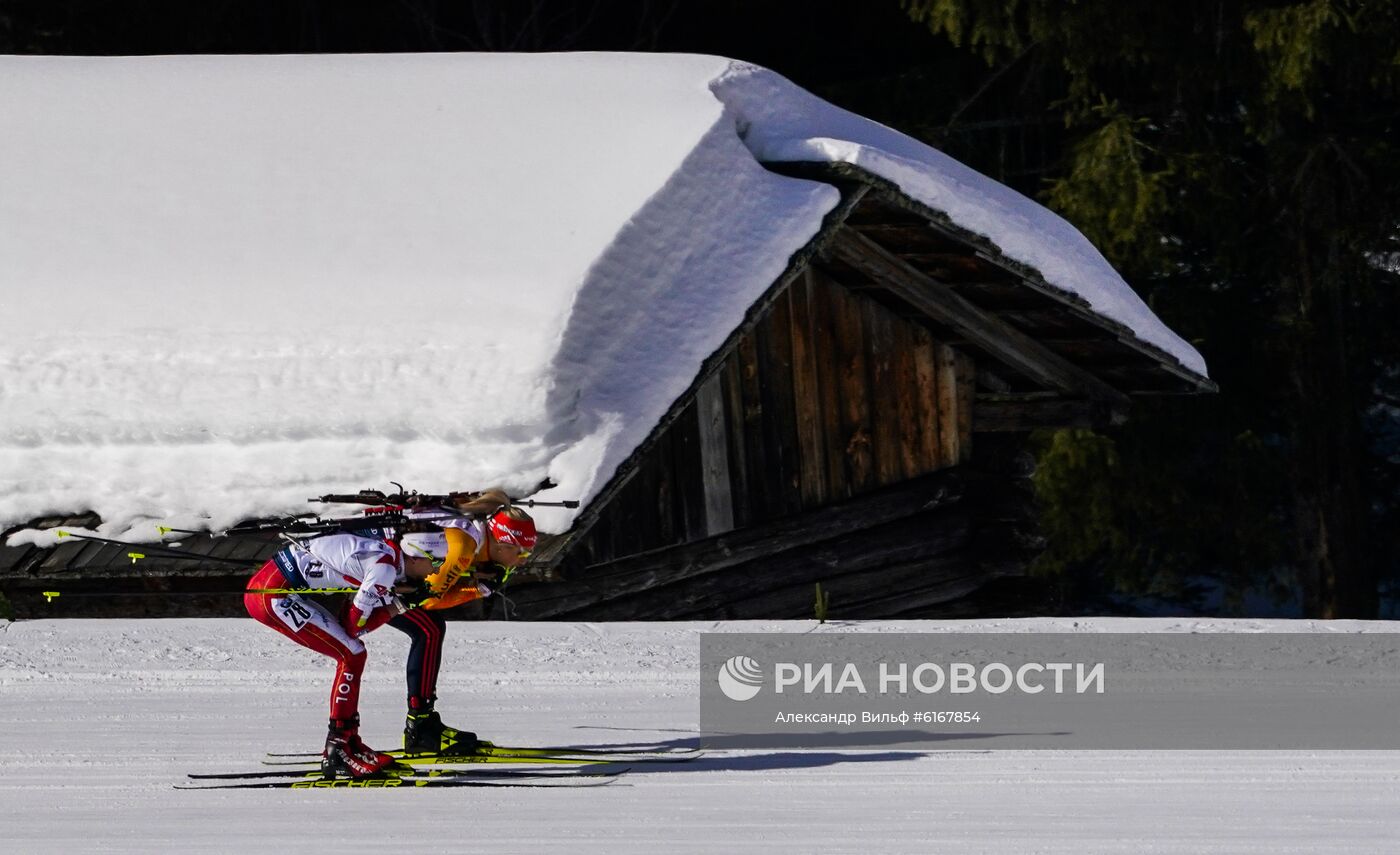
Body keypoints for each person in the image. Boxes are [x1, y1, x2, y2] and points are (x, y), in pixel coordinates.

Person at [244, 529, 439, 778]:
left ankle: (348, 742)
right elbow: (354, 627)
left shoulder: (388, 556)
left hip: (277, 586)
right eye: (434, 561)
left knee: (354, 654)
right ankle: (337, 749)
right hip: (272, 595)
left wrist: (397, 603)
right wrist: (398, 606)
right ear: (414, 557)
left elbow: (353, 616)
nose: (435, 570)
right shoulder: (385, 569)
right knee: (351, 655)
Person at [391, 489, 537, 755]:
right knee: (429, 629)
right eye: (522, 554)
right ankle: (420, 727)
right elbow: (428, 600)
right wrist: (476, 590)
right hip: (366, 579)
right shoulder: (464, 548)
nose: (521, 563)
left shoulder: (474, 534)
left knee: (431, 629)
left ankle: (421, 723)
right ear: (502, 544)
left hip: (379, 576)